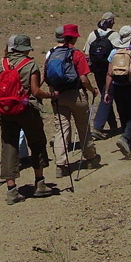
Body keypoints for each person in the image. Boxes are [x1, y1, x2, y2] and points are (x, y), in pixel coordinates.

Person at [0, 34, 53, 204]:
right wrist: (50, 95)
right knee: (36, 142)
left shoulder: (2, 63)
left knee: (9, 145)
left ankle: (11, 189)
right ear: (25, 48)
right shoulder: (30, 64)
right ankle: (40, 183)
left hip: (6, 111)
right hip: (27, 110)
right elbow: (35, 91)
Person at [45, 24, 99, 177]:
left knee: (61, 129)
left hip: (57, 95)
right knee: (83, 127)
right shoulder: (76, 54)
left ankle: (61, 165)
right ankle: (90, 157)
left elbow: (46, 76)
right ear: (73, 37)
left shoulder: (51, 53)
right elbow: (83, 78)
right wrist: (92, 90)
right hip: (76, 95)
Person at [102, 26, 131, 158]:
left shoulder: (114, 52)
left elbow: (109, 73)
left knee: (123, 116)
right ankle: (125, 138)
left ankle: (129, 147)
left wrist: (106, 92)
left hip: (117, 87)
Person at [83, 12, 122, 138]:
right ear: (110, 21)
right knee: (108, 95)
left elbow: (87, 53)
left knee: (106, 94)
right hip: (110, 70)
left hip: (97, 70)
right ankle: (98, 127)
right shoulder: (114, 35)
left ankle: (113, 125)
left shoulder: (92, 34)